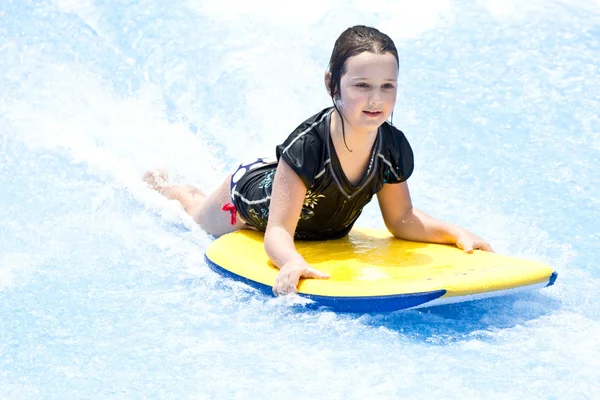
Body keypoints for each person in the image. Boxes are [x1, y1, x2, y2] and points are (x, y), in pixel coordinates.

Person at [144, 25, 493, 297]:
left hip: (298, 191)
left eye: (388, 86)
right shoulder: (309, 145)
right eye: (362, 85)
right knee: (196, 216)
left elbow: (401, 218)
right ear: (333, 85)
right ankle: (163, 186)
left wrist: (453, 232)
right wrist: (291, 260)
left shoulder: (392, 146)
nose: (376, 99)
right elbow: (278, 231)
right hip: (251, 200)